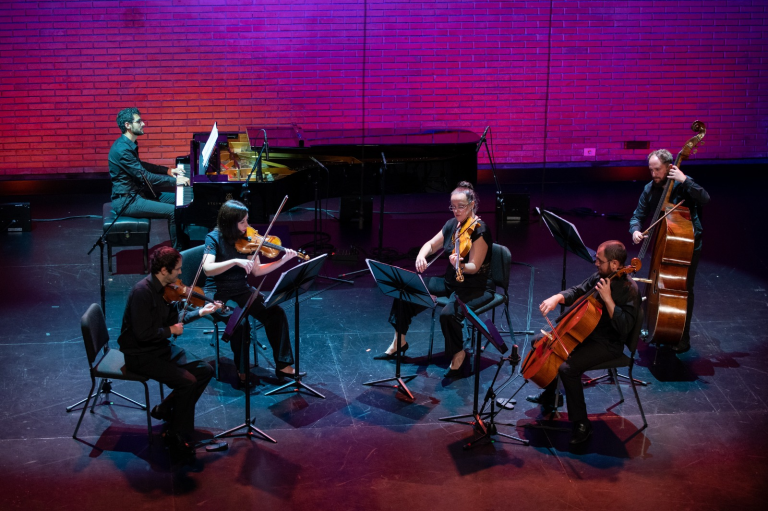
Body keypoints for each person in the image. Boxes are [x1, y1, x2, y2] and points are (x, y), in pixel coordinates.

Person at [374, 181, 494, 378]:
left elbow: (474, 266)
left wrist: (460, 266)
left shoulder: (480, 230)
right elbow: (431, 244)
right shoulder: (452, 225)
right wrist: (421, 256)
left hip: (474, 287)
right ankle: (399, 341)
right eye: (453, 207)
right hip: (450, 282)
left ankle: (459, 353)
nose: (456, 211)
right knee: (407, 288)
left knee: (448, 314)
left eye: (461, 206)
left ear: (472, 205)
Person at [527, 240, 640, 445]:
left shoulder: (629, 289)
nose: (596, 263)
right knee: (539, 341)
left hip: (608, 343)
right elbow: (579, 290)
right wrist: (557, 298)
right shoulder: (601, 277)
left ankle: (582, 424)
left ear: (615, 264)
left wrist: (608, 299)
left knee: (568, 369)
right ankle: (552, 395)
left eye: (600, 260)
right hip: (587, 333)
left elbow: (624, 327)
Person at [117, 247, 221, 461]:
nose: (181, 274)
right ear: (164, 270)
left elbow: (175, 323)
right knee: (187, 382)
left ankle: (166, 409)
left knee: (204, 370)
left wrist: (200, 312)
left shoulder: (168, 291)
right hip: (140, 355)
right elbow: (143, 334)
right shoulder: (141, 293)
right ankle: (177, 434)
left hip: (159, 348)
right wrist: (170, 331)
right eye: (178, 269)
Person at [201, 200, 300, 385]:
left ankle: (283, 365)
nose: (247, 226)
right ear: (230, 223)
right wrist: (235, 261)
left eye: (247, 220)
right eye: (242, 222)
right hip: (217, 293)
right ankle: (242, 369)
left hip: (241, 288)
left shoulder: (248, 238)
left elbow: (256, 271)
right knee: (240, 324)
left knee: (275, 312)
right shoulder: (213, 238)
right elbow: (207, 269)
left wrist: (282, 261)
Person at [629, 149, 710, 354]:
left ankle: (682, 337)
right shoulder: (650, 188)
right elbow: (637, 215)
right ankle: (656, 326)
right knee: (658, 284)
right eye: (651, 170)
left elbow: (705, 198)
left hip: (687, 243)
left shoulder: (683, 183)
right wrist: (636, 230)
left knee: (683, 288)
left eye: (657, 169)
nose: (653, 174)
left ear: (669, 167)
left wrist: (685, 180)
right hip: (663, 241)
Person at [108, 107, 190, 249]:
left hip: (138, 194)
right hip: (127, 201)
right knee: (173, 211)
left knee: (180, 199)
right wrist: (175, 181)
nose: (143, 124)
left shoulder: (128, 144)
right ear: (128, 125)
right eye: (139, 121)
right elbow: (146, 177)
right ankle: (178, 252)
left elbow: (141, 165)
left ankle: (185, 240)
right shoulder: (122, 150)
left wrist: (168, 170)